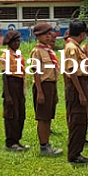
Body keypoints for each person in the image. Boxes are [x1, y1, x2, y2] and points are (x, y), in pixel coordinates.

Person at [62, 19, 88, 164]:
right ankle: (74, 154)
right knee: (77, 120)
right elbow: (72, 71)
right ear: (82, 34)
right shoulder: (72, 48)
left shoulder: (75, 46)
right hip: (77, 84)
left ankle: (77, 152)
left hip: (81, 83)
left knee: (81, 119)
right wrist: (80, 92)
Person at [30, 22, 62, 156]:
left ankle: (47, 143)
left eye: (49, 34)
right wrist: (40, 92)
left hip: (51, 85)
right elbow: (36, 72)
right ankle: (43, 146)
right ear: (38, 36)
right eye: (45, 35)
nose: (48, 37)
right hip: (43, 85)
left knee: (48, 116)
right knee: (43, 117)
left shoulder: (49, 50)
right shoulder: (37, 51)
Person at [0, 29, 29, 151]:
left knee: (20, 114)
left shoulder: (18, 55)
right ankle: (11, 141)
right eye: (15, 41)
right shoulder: (6, 56)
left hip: (19, 84)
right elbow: (5, 75)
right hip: (11, 84)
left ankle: (17, 139)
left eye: (18, 41)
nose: (17, 43)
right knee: (11, 114)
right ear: (9, 43)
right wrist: (7, 94)